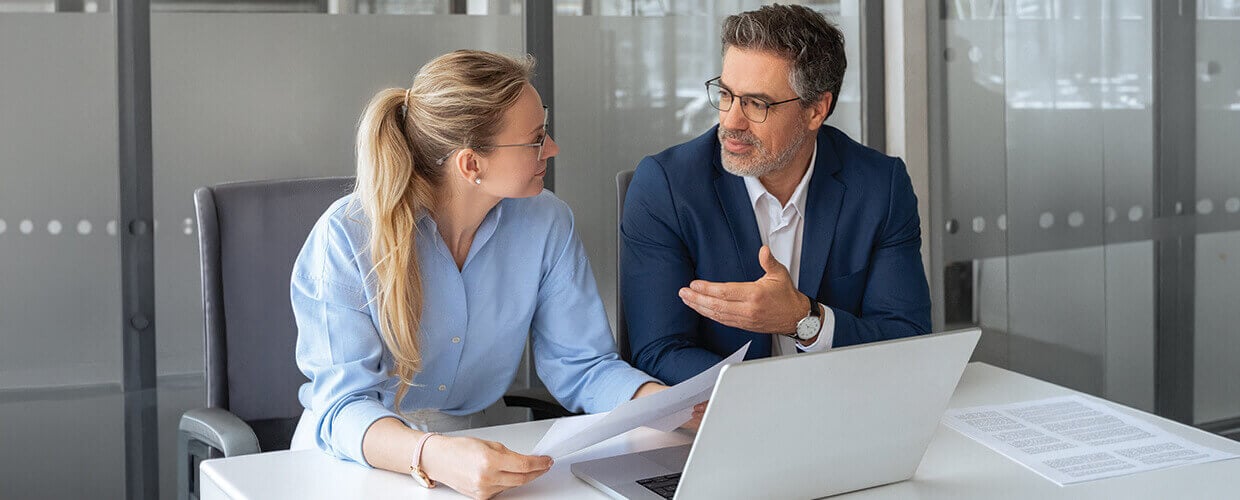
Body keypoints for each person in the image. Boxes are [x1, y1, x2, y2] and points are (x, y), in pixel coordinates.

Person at [289, 50, 695, 500]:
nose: (553, 149)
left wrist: (666, 406)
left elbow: (582, 365)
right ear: (471, 165)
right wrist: (432, 454)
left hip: (477, 452)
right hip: (354, 461)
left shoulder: (547, 221)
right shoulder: (347, 235)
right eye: (536, 140)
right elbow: (343, 406)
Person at [622, 5, 931, 385]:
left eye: (756, 104)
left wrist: (804, 319)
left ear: (816, 110)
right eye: (726, 95)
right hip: (729, 412)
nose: (731, 121)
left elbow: (907, 341)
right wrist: (768, 399)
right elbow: (659, 350)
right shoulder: (667, 186)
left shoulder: (881, 186)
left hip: (846, 401)